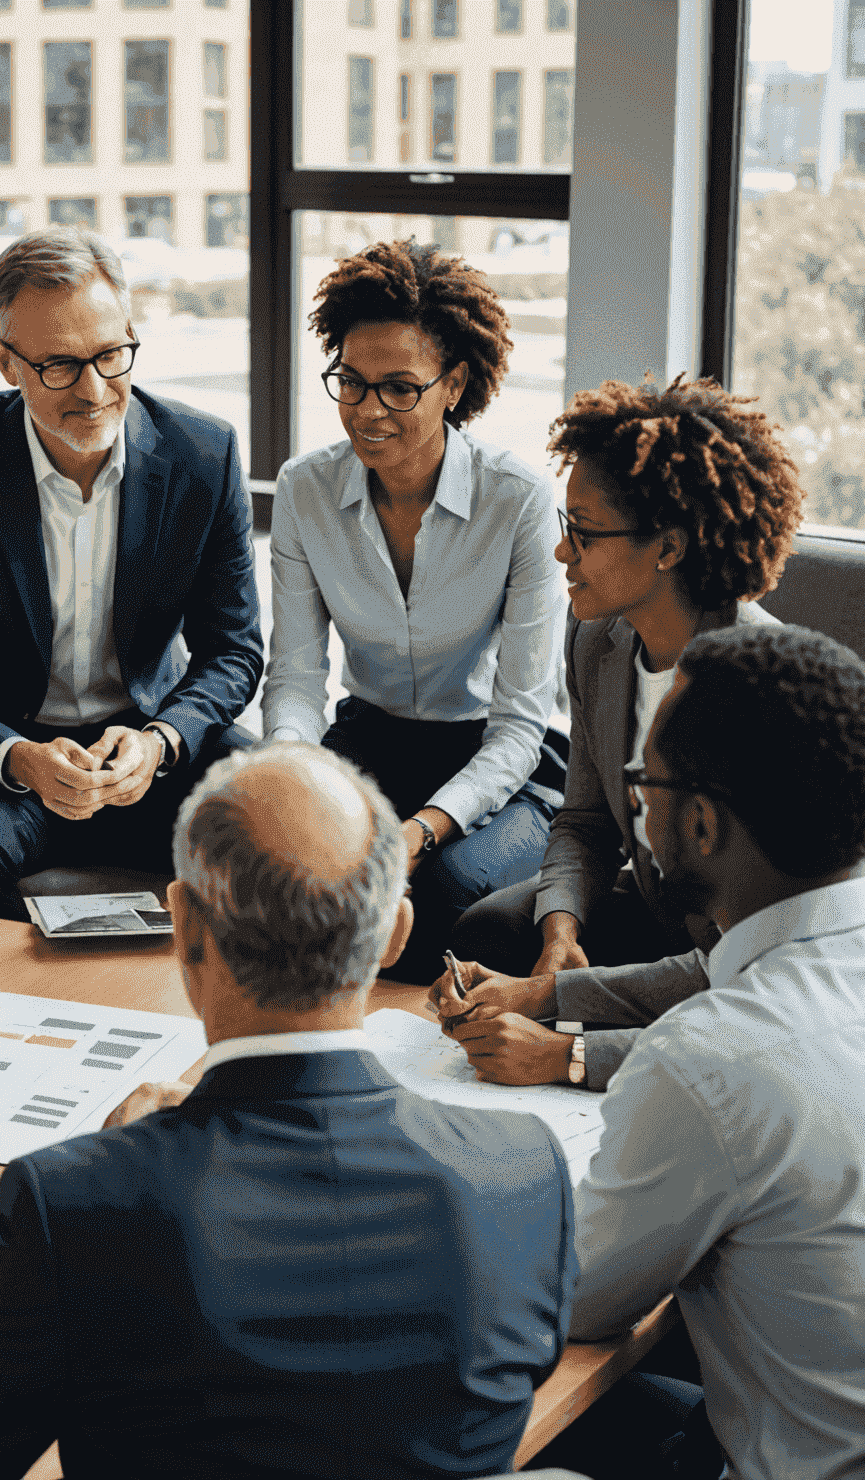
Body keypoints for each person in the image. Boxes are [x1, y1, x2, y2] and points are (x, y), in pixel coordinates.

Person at [0, 744, 576, 1480]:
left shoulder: (70, 1204)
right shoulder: (528, 1173)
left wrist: (15, 1261)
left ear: (182, 924)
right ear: (395, 935)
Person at [529, 626, 865, 1480]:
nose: (637, 813)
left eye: (645, 786)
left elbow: (575, 1301)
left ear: (700, 824)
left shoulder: (711, 1056)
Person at [445, 375, 865, 1002]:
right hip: (669, 900)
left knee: (601, 1001)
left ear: (667, 548)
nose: (561, 551)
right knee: (493, 935)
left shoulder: (756, 680)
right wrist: (561, 933)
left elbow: (752, 951)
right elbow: (585, 820)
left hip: (784, 945)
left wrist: (552, 1001)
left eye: (583, 532)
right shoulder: (596, 641)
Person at [0, 228, 262, 920]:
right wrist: (20, 757)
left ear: (130, 334)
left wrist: (161, 741)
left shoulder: (204, 454)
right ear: (6, 362)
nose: (93, 390)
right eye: (58, 365)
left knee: (269, 819)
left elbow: (233, 652)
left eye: (111, 356)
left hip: (145, 742)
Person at [264, 238, 567, 978]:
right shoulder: (305, 490)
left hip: (498, 763)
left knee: (439, 889)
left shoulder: (518, 501)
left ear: (454, 384)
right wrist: (291, 775)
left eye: (400, 387)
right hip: (370, 744)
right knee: (281, 873)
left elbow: (520, 724)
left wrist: (423, 830)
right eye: (351, 383)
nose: (369, 410)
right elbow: (298, 678)